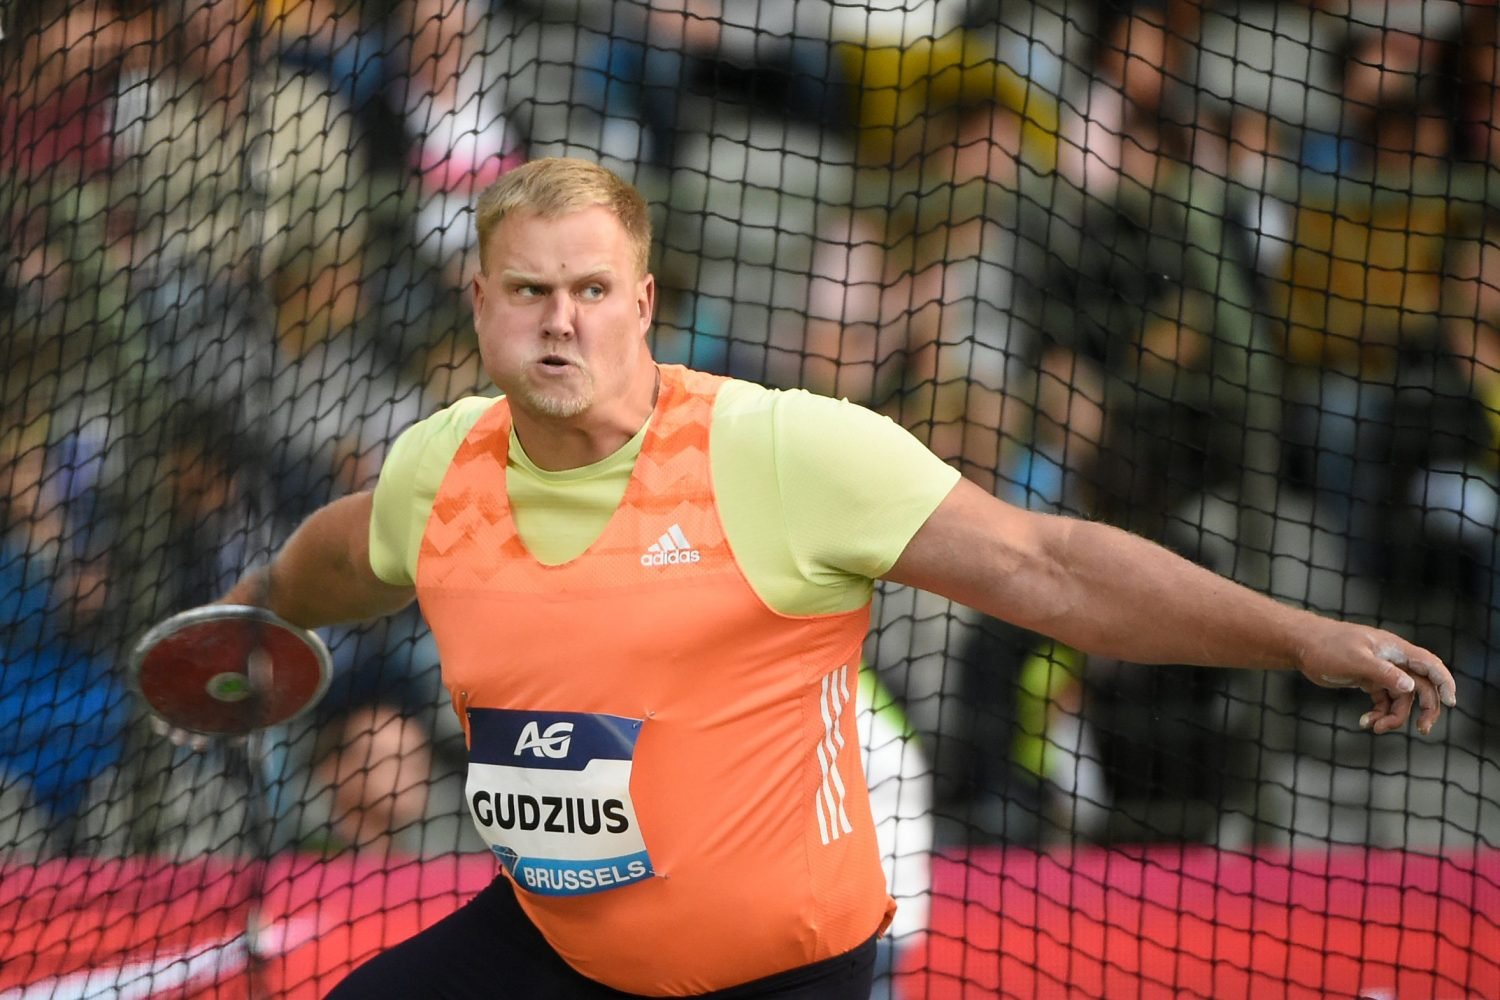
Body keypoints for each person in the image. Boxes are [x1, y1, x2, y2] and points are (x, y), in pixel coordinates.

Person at [203, 157, 1455, 999]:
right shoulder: (442, 466)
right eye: (529, 292)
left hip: (778, 977)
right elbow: (341, 554)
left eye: (591, 290)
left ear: (644, 303)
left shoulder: (779, 448)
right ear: (480, 305)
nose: (561, 321)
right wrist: (245, 617)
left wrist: (1298, 632)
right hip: (557, 946)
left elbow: (1050, 565)